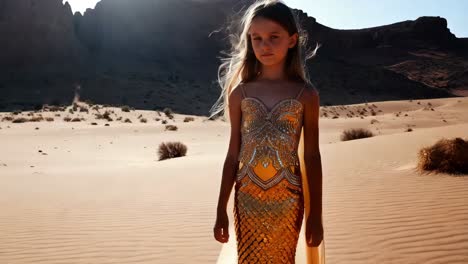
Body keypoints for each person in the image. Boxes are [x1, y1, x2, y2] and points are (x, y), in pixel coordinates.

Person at [210, 0, 325, 262]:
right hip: (246, 201)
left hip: (289, 201)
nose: (265, 45)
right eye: (257, 38)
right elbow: (232, 156)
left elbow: (312, 157)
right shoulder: (240, 93)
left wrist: (315, 217)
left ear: (292, 40)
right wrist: (221, 209)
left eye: (274, 37)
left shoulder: (306, 95)